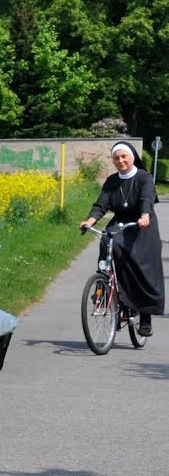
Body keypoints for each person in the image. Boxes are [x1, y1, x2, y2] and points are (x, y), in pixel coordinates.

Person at [79, 141, 164, 336]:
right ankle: (103, 289)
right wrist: (90, 221)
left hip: (143, 225)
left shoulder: (144, 177)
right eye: (116, 158)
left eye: (124, 156)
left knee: (142, 267)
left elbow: (146, 199)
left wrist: (144, 216)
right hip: (121, 224)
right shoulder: (112, 181)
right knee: (106, 240)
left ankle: (145, 316)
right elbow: (101, 205)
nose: (120, 160)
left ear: (132, 157)